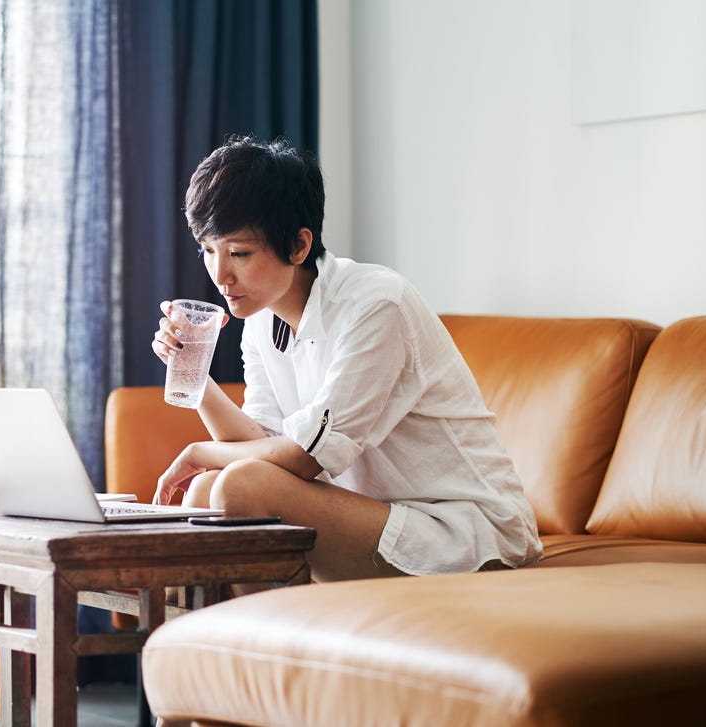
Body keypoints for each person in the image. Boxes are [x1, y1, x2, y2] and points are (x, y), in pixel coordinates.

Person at [151, 136, 542, 580]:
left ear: (299, 246)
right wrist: (192, 373)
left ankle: (277, 643)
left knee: (240, 486)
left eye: (239, 253)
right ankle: (247, 644)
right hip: (376, 517)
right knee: (207, 490)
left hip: (466, 530)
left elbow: (303, 459)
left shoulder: (376, 305)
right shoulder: (262, 319)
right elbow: (258, 443)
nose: (220, 275)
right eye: (208, 250)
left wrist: (202, 451)